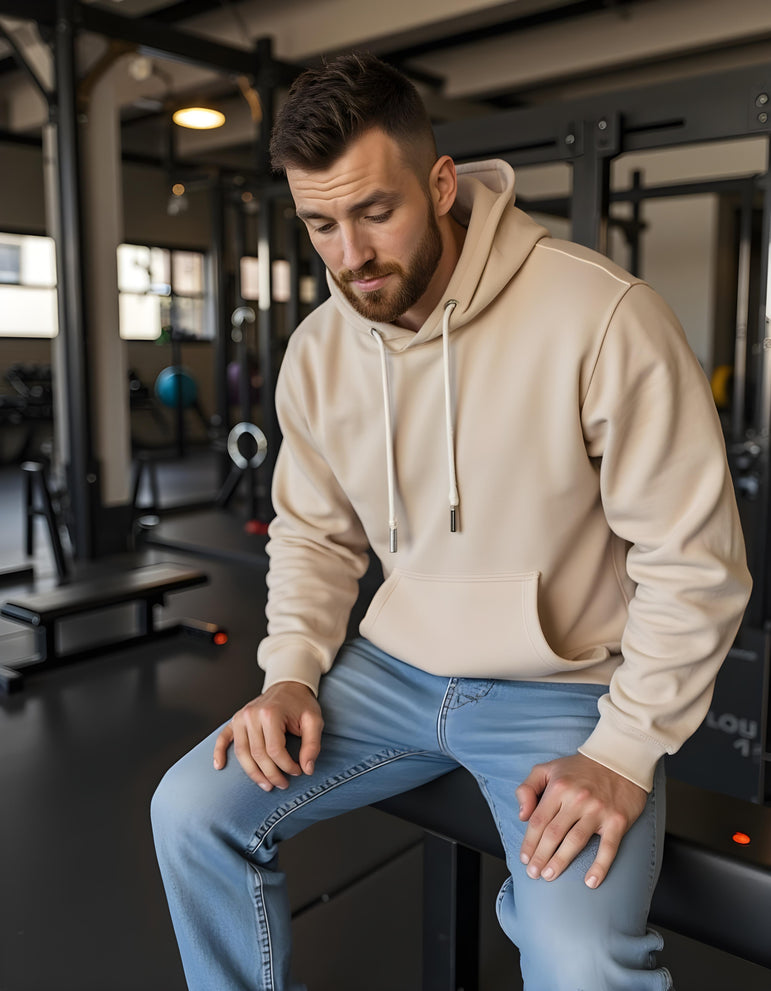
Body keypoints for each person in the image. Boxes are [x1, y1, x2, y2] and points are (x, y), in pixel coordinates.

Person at [151, 53, 752, 991]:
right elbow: (312, 533)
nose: (350, 255)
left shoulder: (601, 317)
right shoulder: (318, 351)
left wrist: (624, 750)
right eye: (320, 224)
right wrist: (288, 674)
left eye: (374, 212)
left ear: (438, 185)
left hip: (563, 693)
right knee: (190, 810)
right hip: (390, 673)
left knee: (583, 958)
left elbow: (692, 560)